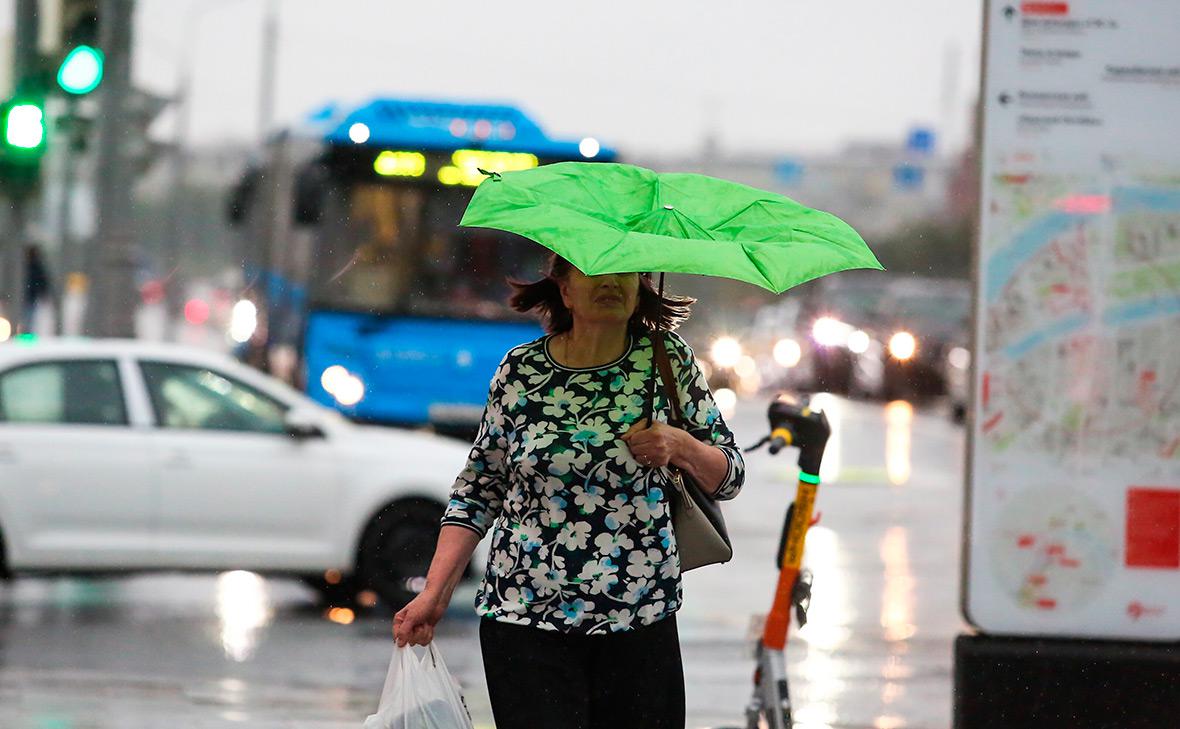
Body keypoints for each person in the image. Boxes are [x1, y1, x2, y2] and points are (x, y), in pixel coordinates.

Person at [393, 254, 745, 729]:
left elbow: (730, 475)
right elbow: (478, 490)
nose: (612, 281)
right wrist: (435, 594)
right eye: (594, 269)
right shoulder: (521, 371)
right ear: (564, 289)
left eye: (626, 269)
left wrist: (680, 445)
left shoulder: (668, 359)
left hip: (639, 620)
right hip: (525, 620)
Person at [22, 245, 52, 335]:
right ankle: (27, 332)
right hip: (31, 295)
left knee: (29, 315)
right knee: (30, 315)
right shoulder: (35, 266)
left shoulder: (31, 266)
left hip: (30, 295)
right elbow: (43, 281)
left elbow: (42, 281)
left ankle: (27, 332)